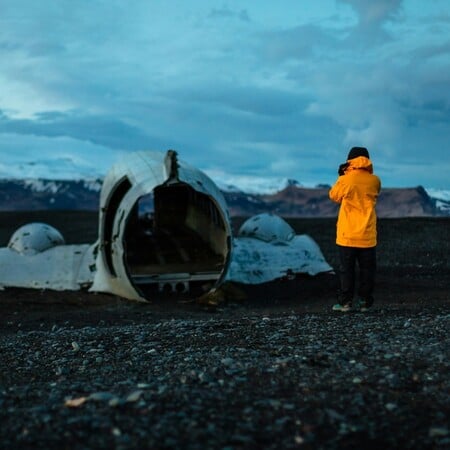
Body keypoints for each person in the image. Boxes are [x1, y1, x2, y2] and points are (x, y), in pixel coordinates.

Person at [329, 146, 381, 312]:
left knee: (347, 270)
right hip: (367, 234)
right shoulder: (375, 180)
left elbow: (334, 196)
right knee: (367, 270)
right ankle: (365, 302)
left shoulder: (345, 180)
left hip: (347, 234)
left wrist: (342, 176)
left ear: (350, 160)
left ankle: (345, 303)